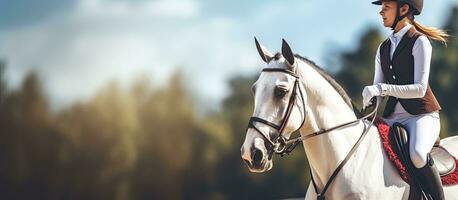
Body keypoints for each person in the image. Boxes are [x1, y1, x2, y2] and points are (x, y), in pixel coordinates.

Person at [361, 0, 449, 199]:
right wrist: (371, 101)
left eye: (386, 6)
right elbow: (379, 89)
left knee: (417, 155)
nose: (381, 11)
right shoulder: (383, 48)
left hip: (422, 116)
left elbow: (420, 89)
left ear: (404, 8)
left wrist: (381, 88)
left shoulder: (419, 41)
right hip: (393, 116)